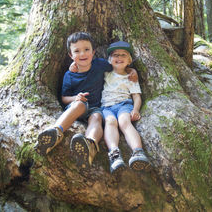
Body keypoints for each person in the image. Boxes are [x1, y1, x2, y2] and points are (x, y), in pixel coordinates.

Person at [35, 32, 136, 170]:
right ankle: (56, 131)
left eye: (86, 50)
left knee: (97, 118)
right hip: (77, 106)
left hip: (96, 108)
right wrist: (75, 98)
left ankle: (90, 144)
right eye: (77, 51)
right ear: (71, 55)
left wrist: (131, 70)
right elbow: (64, 98)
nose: (82, 54)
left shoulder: (100, 65)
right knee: (80, 105)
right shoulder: (69, 75)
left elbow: (118, 66)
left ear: (93, 52)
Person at [101, 41, 151, 174]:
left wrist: (135, 109)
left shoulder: (131, 77)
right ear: (109, 60)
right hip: (107, 107)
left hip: (124, 105)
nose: (119, 57)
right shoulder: (105, 74)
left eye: (123, 55)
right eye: (115, 55)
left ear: (129, 60)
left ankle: (138, 151)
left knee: (124, 121)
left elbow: (136, 97)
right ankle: (114, 154)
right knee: (110, 122)